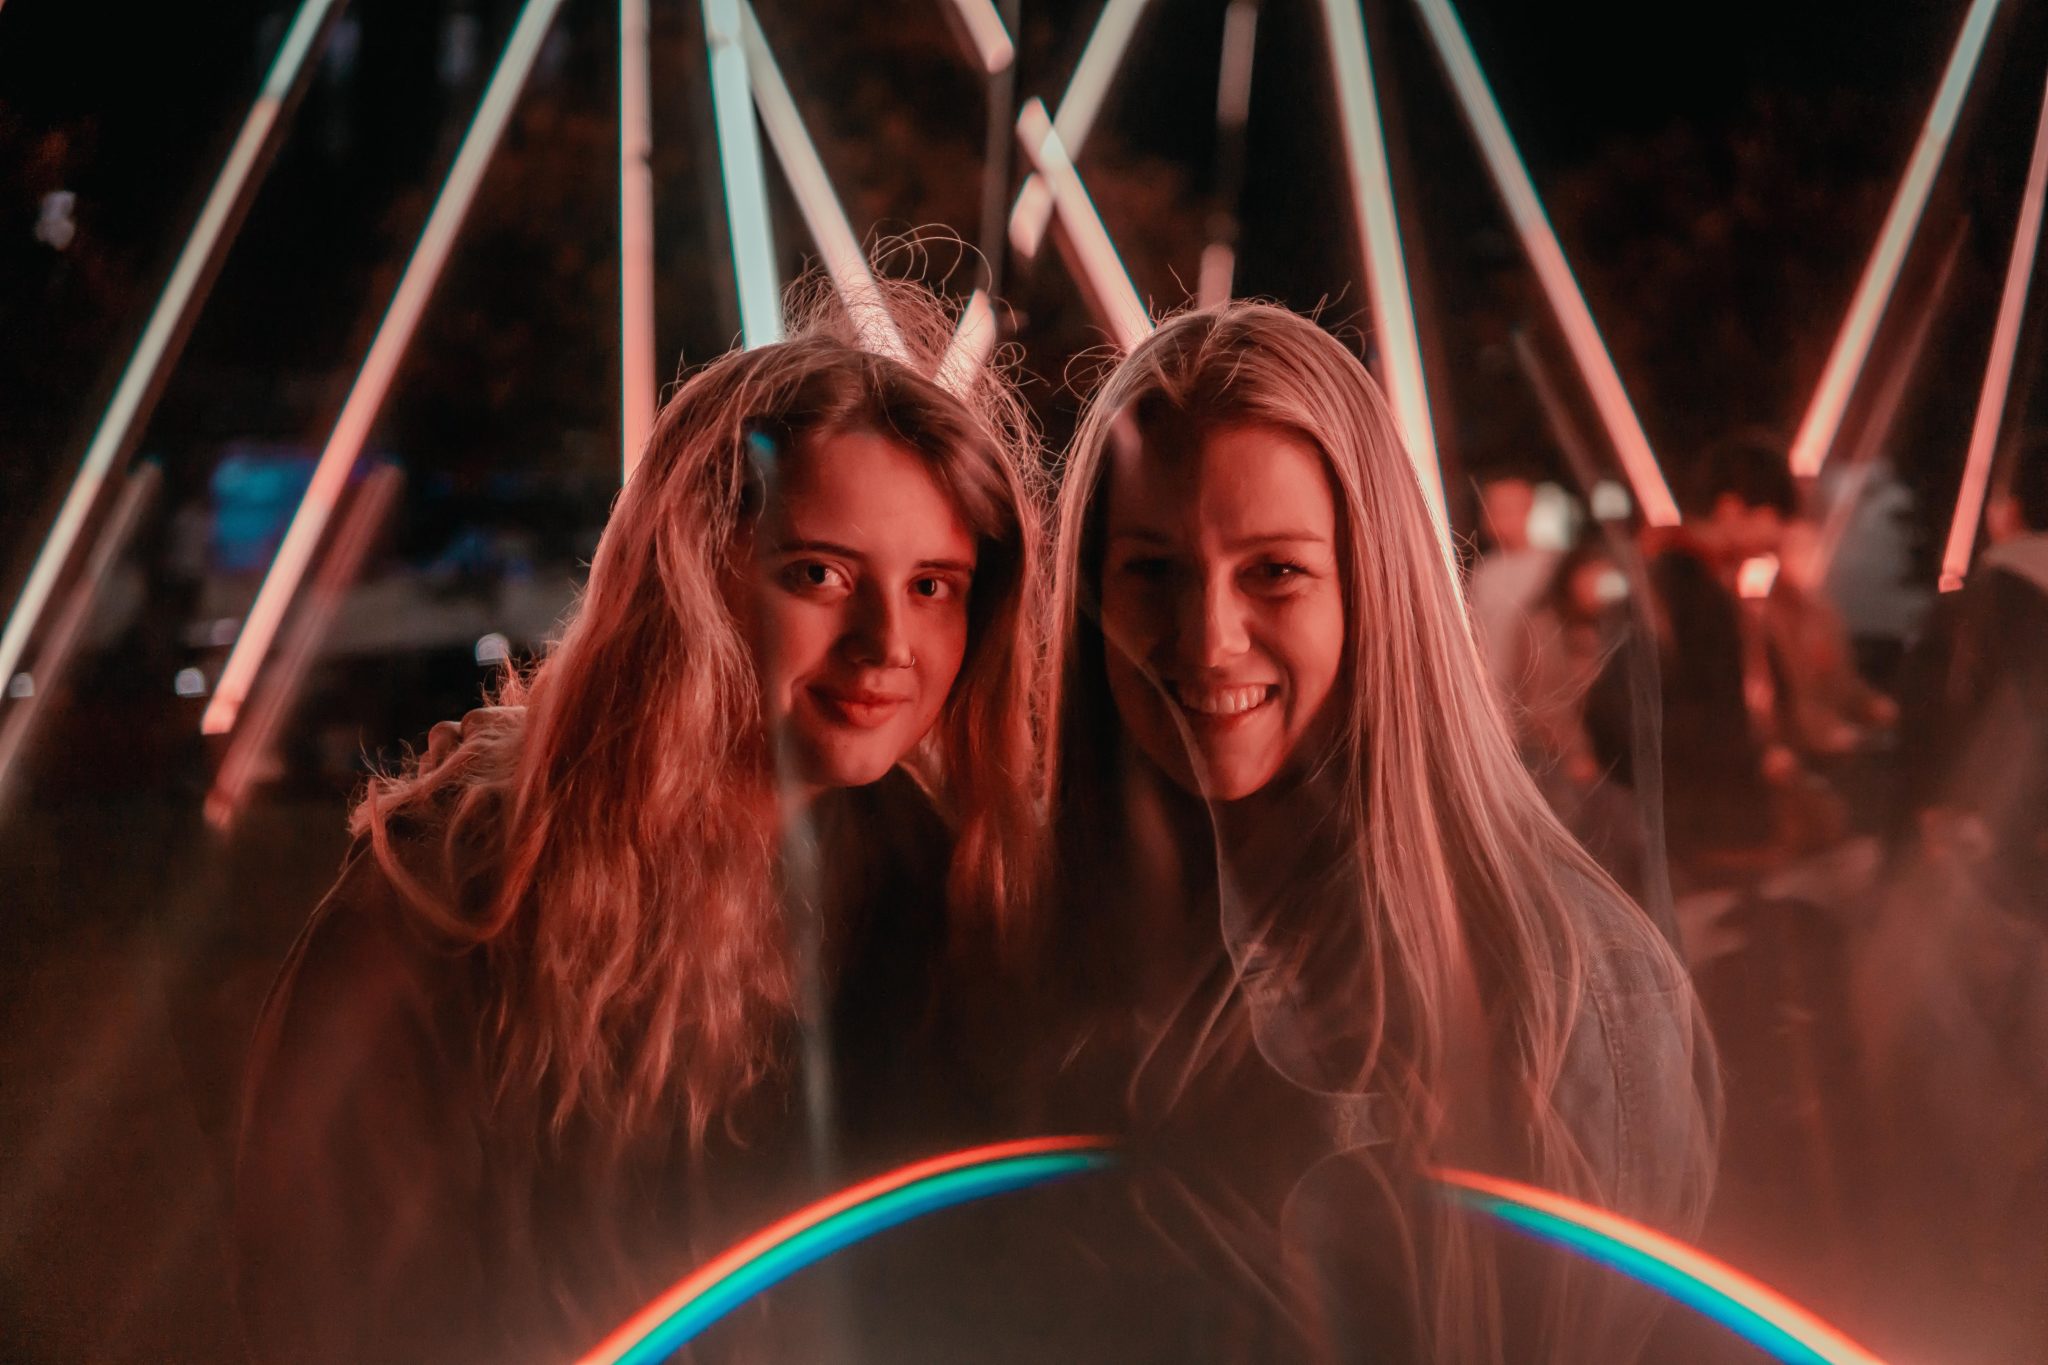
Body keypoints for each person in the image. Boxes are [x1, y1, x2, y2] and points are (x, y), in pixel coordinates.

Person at [232, 280, 1045, 1365]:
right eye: (818, 573)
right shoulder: (452, 905)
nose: (886, 641)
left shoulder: (935, 890)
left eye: (935, 584)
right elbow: (334, 1314)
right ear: (696, 574)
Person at [1036, 303, 1718, 1363]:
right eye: (1152, 572)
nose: (1207, 640)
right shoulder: (1062, 933)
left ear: (1376, 587)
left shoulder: (1565, 983)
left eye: (1274, 571)